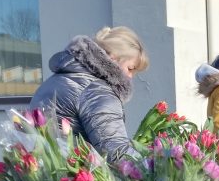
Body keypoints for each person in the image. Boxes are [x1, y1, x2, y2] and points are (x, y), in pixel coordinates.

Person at [30, 26, 148, 163]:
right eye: (130, 68)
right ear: (113, 58)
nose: (130, 77)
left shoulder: (55, 81)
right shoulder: (96, 90)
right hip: (76, 178)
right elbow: (115, 151)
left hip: (46, 175)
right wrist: (154, 167)